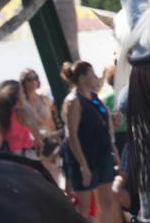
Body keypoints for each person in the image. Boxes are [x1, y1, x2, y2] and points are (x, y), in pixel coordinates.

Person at [60, 61, 120, 223]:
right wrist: (83, 165)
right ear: (82, 78)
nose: (95, 78)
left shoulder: (94, 97)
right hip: (85, 159)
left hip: (102, 156)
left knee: (106, 204)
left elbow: (104, 124)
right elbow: (72, 136)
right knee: (84, 210)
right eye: (92, 74)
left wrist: (113, 121)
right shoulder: (73, 101)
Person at [20, 69, 61, 178]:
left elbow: (52, 121)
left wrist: (57, 139)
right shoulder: (21, 106)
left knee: (55, 176)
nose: (33, 81)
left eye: (35, 78)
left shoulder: (45, 99)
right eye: (29, 79)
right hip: (33, 146)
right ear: (23, 82)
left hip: (50, 141)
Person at [0, 80, 43, 158]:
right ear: (17, 97)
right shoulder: (21, 112)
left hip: (9, 157)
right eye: (22, 92)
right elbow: (36, 135)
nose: (24, 95)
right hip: (25, 156)